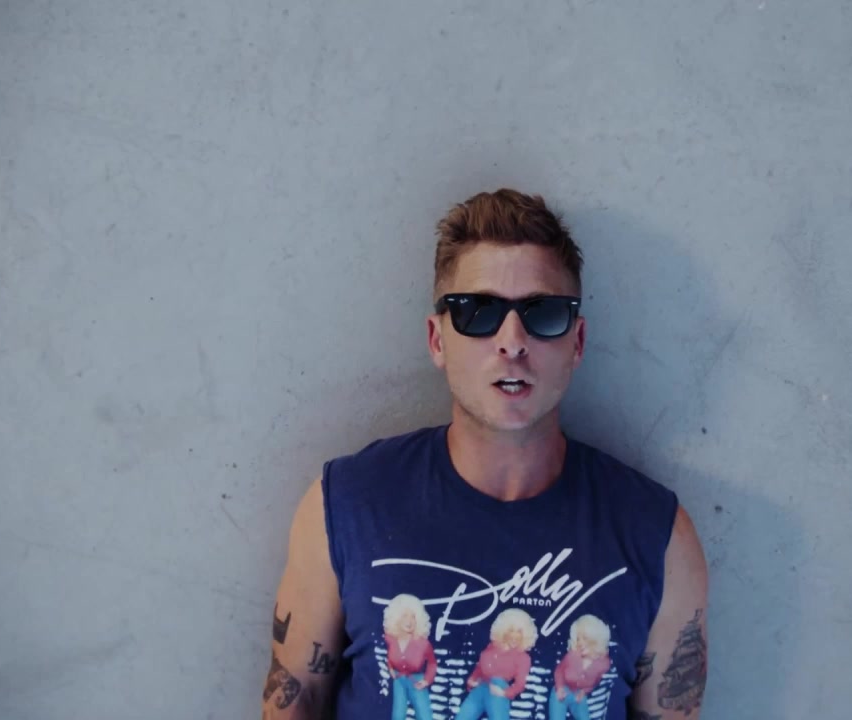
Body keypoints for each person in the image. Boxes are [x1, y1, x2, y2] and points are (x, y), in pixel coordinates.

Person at [262, 189, 709, 720]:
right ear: (437, 340)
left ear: (577, 342)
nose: (512, 341)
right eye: (477, 311)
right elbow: (293, 703)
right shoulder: (345, 507)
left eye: (543, 313)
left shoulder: (659, 536)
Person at [383, 594, 437, 720]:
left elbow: (432, 663)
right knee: (398, 715)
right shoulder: (391, 640)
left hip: (416, 681)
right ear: (396, 618)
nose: (409, 620)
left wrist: (426, 680)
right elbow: (389, 656)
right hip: (399, 680)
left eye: (413, 616)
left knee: (424, 716)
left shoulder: (423, 644)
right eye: (405, 615)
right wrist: (390, 668)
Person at [550, 614, 613, 720]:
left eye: (585, 638)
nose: (580, 643)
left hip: (578, 694)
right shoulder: (571, 656)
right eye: (578, 639)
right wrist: (559, 688)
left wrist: (584, 692)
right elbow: (559, 672)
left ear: (595, 638)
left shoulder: (603, 664)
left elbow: (596, 681)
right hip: (561, 692)